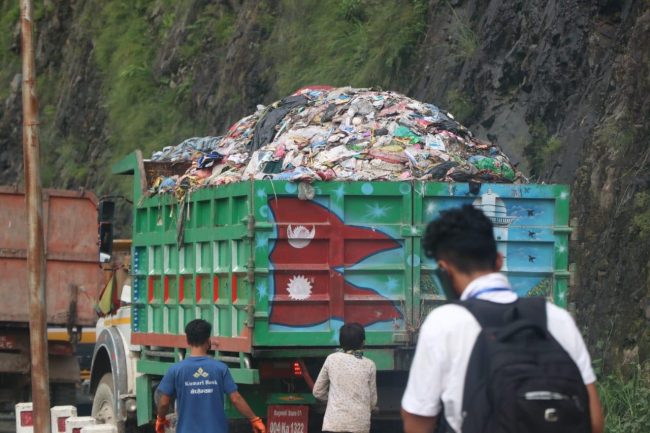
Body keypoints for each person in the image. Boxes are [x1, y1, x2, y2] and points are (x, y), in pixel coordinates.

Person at [401, 204, 604, 433]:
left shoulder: (444, 323)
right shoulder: (558, 319)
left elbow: (418, 419)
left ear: (444, 271)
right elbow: (594, 421)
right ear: (498, 261)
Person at [155, 319, 266, 433]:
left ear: (187, 341)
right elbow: (235, 398)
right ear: (208, 340)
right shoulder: (220, 368)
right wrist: (254, 419)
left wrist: (160, 419)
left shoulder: (175, 370)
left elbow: (163, 402)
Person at [313, 322, 378, 433]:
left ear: (341, 342)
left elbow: (317, 392)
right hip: (359, 427)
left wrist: (335, 400)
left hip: (333, 425)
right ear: (363, 343)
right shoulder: (369, 365)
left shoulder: (331, 359)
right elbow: (372, 402)